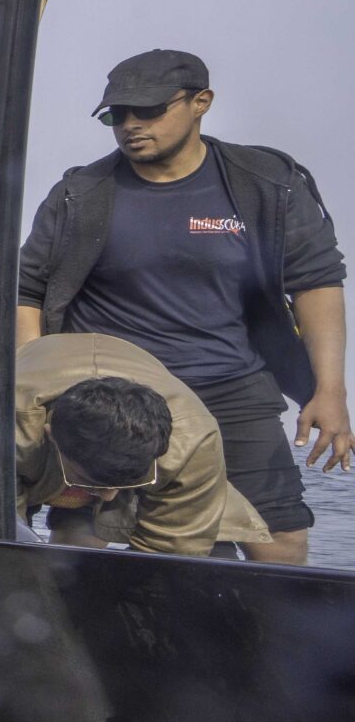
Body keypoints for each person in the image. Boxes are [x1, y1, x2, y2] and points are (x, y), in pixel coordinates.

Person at [19, 49, 349, 565]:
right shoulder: (80, 193)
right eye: (116, 115)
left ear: (202, 103)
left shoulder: (265, 183)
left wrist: (329, 390)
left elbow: (318, 282)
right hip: (113, 393)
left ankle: (265, 643)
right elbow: (28, 291)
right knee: (83, 531)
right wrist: (42, 385)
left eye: (148, 111)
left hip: (231, 384)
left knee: (280, 535)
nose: (130, 126)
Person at [16, 334, 268, 557]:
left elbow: (171, 554)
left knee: (205, 569)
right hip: (24, 451)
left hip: (144, 450)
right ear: (51, 436)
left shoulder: (191, 443)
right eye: (93, 484)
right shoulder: (6, 431)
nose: (110, 495)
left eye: (119, 486)